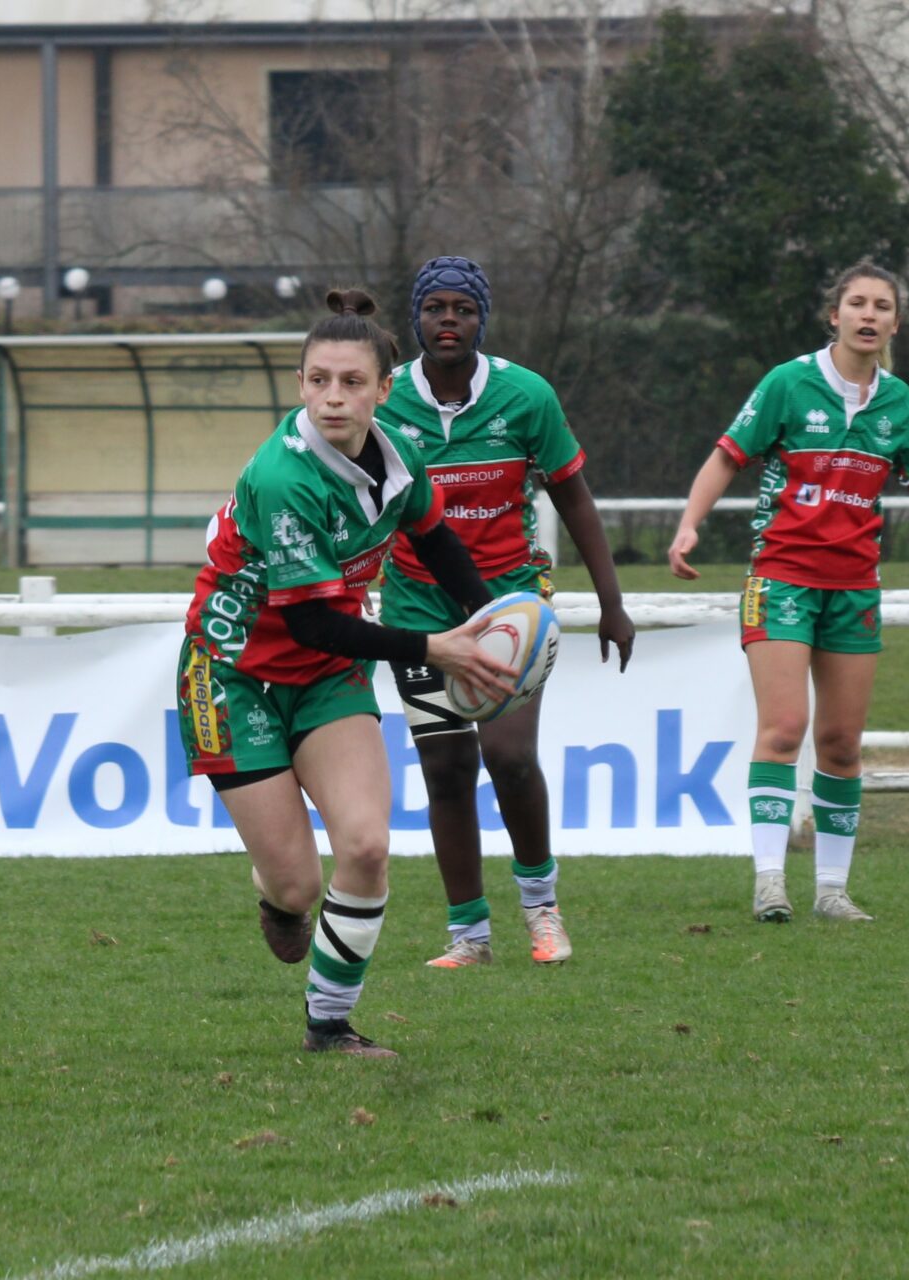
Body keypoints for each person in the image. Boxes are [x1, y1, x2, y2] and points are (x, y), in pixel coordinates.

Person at [179, 289, 516, 1058]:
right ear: (300, 384)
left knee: (365, 846)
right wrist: (437, 648)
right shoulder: (286, 477)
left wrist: (492, 619)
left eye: (352, 382)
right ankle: (279, 897)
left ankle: (329, 1027)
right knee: (297, 885)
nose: (333, 396)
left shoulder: (397, 455)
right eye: (319, 380)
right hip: (230, 675)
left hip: (328, 673)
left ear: (383, 390)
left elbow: (435, 539)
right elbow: (310, 621)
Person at [668, 260, 909, 923]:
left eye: (882, 306)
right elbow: (727, 456)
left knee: (841, 743)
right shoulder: (788, 383)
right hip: (781, 578)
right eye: (858, 303)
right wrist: (690, 525)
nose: (869, 315)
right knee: (785, 728)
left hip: (854, 587)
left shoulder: (897, 401)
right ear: (833, 315)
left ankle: (832, 892)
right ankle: (769, 882)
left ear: (896, 324)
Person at [377, 256, 635, 969]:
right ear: (416, 318)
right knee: (446, 769)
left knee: (510, 757)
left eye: (463, 309)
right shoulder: (383, 400)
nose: (448, 320)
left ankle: (542, 909)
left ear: (482, 319)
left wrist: (612, 603)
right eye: (435, 308)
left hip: (509, 605)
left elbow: (574, 497)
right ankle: (470, 935)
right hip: (417, 607)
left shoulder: (526, 396)